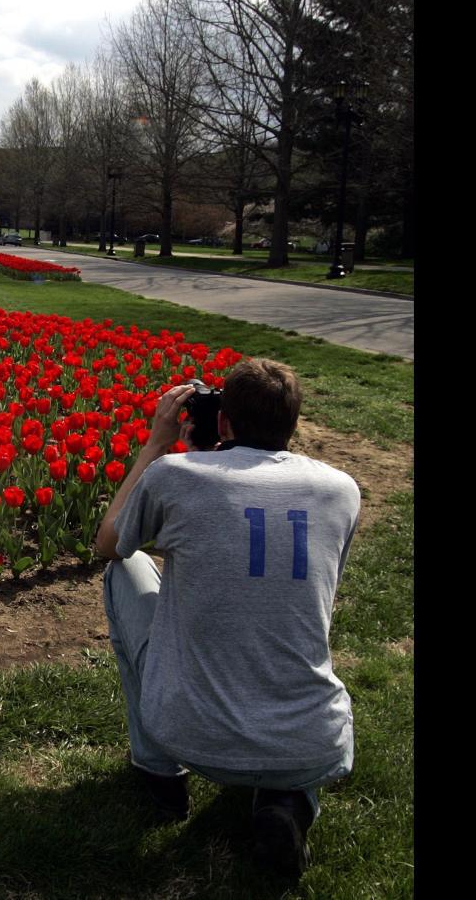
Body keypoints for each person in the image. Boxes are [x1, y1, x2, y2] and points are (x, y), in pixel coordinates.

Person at [93, 358, 360, 878]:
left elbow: (109, 543)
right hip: (316, 742)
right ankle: (285, 804)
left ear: (222, 422)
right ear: (295, 424)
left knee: (126, 570)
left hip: (192, 735)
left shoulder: (175, 476)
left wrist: (156, 444)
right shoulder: (341, 490)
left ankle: (160, 772)